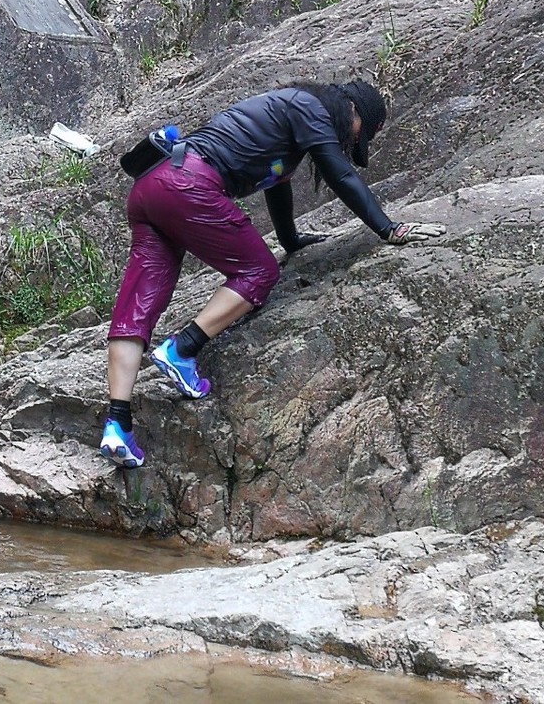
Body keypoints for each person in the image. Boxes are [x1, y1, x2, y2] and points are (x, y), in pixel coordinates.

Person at [100, 80, 445, 468]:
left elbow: (277, 185)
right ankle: (182, 350)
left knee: (138, 306)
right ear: (353, 111)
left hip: (152, 185)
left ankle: (117, 426)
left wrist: (291, 240)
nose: (353, 142)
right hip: (186, 183)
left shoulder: (283, 117)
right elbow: (341, 176)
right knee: (259, 271)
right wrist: (389, 229)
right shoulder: (309, 107)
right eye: (359, 133)